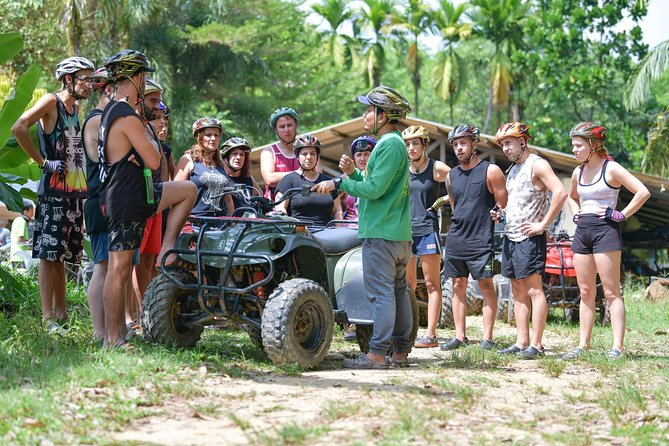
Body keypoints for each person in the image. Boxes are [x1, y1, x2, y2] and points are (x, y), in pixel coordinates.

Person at [99, 49, 196, 348]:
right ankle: (112, 338)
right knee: (119, 267)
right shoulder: (126, 116)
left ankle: (168, 245)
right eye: (144, 75)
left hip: (137, 195)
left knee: (188, 191)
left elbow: (146, 158)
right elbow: (154, 160)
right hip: (127, 198)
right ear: (136, 76)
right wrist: (144, 148)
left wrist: (140, 154)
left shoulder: (113, 111)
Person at [313, 85, 413, 369]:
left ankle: (377, 353)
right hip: (396, 232)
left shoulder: (388, 144)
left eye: (370, 109)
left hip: (381, 233)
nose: (366, 114)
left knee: (381, 294)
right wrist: (352, 173)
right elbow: (378, 183)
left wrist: (339, 183)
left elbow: (375, 188)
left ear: (383, 116)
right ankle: (401, 352)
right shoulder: (392, 144)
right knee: (396, 291)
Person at [11, 56, 95, 334]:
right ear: (68, 80)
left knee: (62, 255)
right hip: (53, 193)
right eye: (85, 79)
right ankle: (47, 318)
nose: (89, 84)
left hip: (74, 193)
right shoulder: (51, 102)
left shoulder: (76, 109)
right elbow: (19, 126)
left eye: (91, 79)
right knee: (49, 255)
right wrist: (42, 162)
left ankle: (62, 315)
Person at [562, 122, 649, 360]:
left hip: (606, 231)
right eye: (573, 145)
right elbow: (571, 197)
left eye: (578, 145)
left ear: (593, 144)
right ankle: (583, 346)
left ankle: (617, 348)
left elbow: (643, 192)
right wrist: (576, 210)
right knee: (586, 290)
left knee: (611, 292)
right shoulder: (578, 172)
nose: (574, 149)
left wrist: (621, 215)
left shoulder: (611, 169)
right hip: (583, 231)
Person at [493, 122, 567, 359]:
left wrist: (543, 224)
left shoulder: (537, 164)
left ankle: (537, 344)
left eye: (509, 143)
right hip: (511, 236)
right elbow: (516, 203)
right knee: (517, 290)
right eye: (503, 144)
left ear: (523, 141)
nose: (505, 148)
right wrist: (500, 213)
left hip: (529, 237)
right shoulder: (513, 170)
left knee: (534, 290)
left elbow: (560, 192)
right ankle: (521, 341)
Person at [440, 124, 508, 351]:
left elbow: (503, 203)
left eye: (463, 143)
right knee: (457, 285)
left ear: (474, 144)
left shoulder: (491, 171)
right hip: (457, 239)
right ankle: (460, 336)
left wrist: (499, 213)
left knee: (486, 285)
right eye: (455, 145)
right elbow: (455, 206)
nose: (459, 148)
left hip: (481, 239)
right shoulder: (451, 176)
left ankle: (487, 338)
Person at [402, 125, 450, 349]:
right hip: (404, 232)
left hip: (427, 230)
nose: (411, 148)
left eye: (415, 143)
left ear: (424, 145)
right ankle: (408, 331)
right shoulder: (402, 168)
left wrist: (444, 200)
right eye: (408, 144)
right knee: (408, 284)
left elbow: (461, 181)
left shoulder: (436, 167)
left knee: (432, 284)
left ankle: (430, 334)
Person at [82, 66, 117, 342]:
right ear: (108, 89)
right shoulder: (96, 121)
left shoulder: (109, 119)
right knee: (102, 266)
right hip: (98, 200)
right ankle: (99, 332)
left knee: (113, 266)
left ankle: (114, 330)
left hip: (111, 201)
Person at [274, 135, 342, 227]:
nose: (309, 157)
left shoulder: (328, 181)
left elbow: (337, 211)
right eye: (304, 154)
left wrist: (338, 231)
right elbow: (280, 208)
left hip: (327, 235)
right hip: (299, 234)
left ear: (317, 156)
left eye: (313, 153)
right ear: (297, 156)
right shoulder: (288, 180)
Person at [174, 117, 234, 217]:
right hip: (196, 224)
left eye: (216, 135)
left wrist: (232, 223)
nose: (213, 138)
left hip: (222, 224)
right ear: (199, 137)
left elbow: (229, 200)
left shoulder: (222, 164)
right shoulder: (188, 160)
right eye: (208, 135)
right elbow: (175, 196)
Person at [260, 107, 300, 199]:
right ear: (276, 130)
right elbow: (270, 179)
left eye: (289, 125)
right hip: (275, 208)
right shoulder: (268, 151)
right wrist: (301, 173)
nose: (286, 130)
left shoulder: (307, 148)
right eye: (282, 126)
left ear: (296, 125)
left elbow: (316, 175)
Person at [220, 137, 260, 210]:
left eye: (242, 155)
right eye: (234, 154)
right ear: (226, 157)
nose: (238, 157)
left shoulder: (249, 179)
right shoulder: (220, 179)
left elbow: (260, 198)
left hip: (249, 220)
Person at [342, 136, 376, 221]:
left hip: (372, 226)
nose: (362, 159)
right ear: (353, 158)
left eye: (367, 154)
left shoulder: (379, 175)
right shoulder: (346, 177)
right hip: (349, 228)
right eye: (359, 155)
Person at [9, 199, 35, 266]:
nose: (32, 213)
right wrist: (31, 243)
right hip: (20, 256)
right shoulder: (22, 222)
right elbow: (20, 240)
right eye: (31, 211)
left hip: (16, 255)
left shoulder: (18, 220)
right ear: (25, 211)